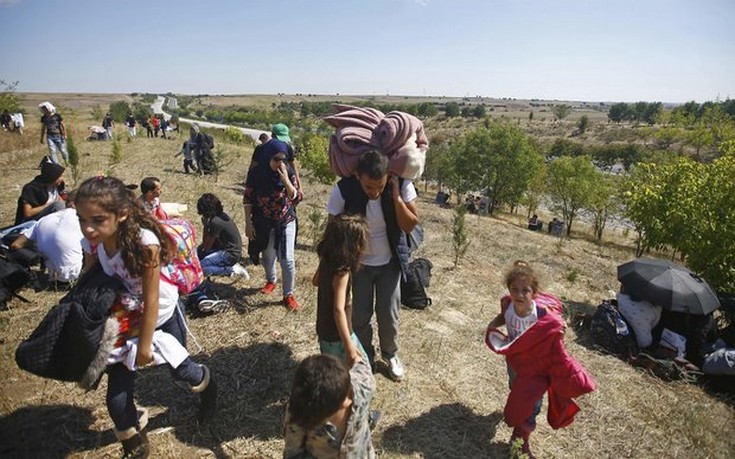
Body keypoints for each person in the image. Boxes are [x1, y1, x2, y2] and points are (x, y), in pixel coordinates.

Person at [75, 176, 217, 458]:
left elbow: (152, 299)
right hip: (124, 318)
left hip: (161, 312)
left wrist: (144, 345)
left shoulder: (144, 243)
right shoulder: (92, 243)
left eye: (98, 220)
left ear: (122, 214)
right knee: (117, 400)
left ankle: (208, 386)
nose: (88, 228)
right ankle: (135, 446)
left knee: (181, 370)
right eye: (81, 219)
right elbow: (92, 284)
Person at [486, 260, 595, 458]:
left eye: (525, 290)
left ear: (534, 293)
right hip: (515, 361)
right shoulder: (508, 304)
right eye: (514, 289)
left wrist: (560, 330)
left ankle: (520, 440)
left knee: (533, 401)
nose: (519, 295)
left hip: (537, 367)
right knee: (516, 389)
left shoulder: (540, 314)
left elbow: (555, 325)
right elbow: (503, 316)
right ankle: (519, 418)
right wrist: (493, 325)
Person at [326, 150, 419, 381]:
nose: (375, 192)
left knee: (388, 313)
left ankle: (390, 354)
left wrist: (396, 197)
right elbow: (332, 229)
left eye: (380, 186)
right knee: (360, 315)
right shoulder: (344, 190)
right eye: (369, 187)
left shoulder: (400, 185)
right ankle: (366, 355)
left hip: (389, 262)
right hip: (359, 265)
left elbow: (410, 225)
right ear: (358, 176)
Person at [283, 354, 376, 459]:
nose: (351, 400)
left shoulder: (363, 387)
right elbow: (293, 452)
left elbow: (358, 359)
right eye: (345, 398)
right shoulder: (300, 412)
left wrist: (349, 347)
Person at [243, 149, 302, 311]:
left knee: (287, 259)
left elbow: (295, 197)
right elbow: (247, 198)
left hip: (286, 221)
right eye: (276, 159)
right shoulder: (256, 174)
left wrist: (285, 180)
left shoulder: (288, 172)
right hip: (264, 222)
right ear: (268, 158)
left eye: (283, 160)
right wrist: (248, 223)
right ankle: (271, 280)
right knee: (268, 255)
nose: (280, 163)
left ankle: (288, 295)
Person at [312, 214, 370, 366]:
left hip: (324, 332)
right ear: (351, 246)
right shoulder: (342, 273)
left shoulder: (326, 261)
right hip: (338, 337)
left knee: (333, 372)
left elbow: (315, 281)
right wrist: (349, 347)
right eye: (360, 242)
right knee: (349, 374)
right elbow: (338, 310)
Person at [10, 189, 83, 284]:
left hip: (53, 278)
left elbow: (16, 245)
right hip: (75, 277)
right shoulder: (83, 220)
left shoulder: (43, 220)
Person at [196, 193, 249, 279]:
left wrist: (205, 226)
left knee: (201, 267)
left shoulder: (215, 222)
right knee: (196, 256)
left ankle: (231, 270)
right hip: (225, 248)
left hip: (230, 253)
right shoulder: (220, 216)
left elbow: (206, 246)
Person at [14, 160, 67, 225]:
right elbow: (28, 213)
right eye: (59, 177)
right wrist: (48, 206)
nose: (62, 179)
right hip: (32, 221)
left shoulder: (56, 185)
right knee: (58, 206)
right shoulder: (31, 188)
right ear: (52, 178)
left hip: (50, 217)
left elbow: (57, 198)